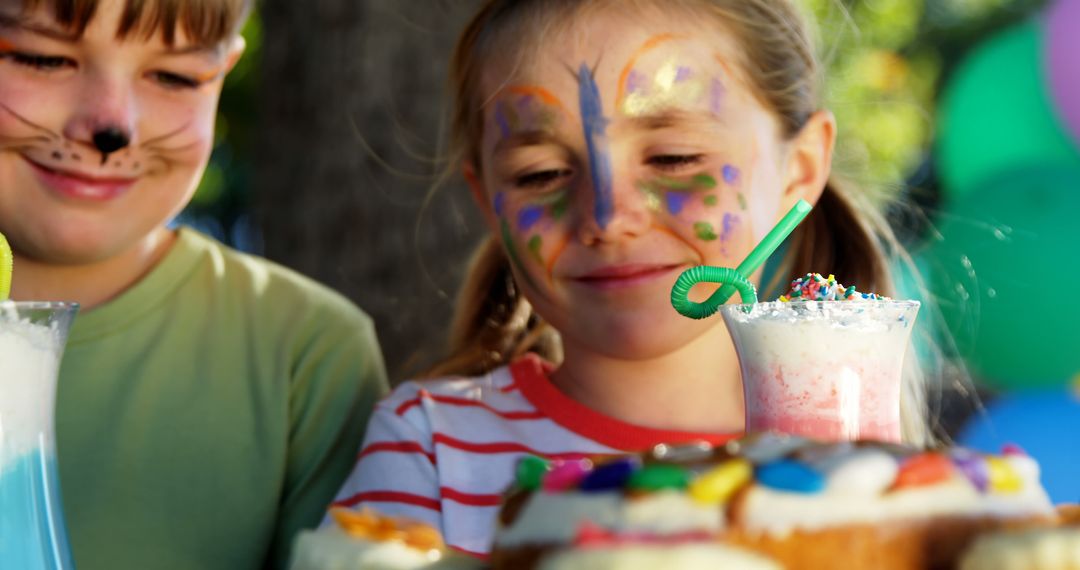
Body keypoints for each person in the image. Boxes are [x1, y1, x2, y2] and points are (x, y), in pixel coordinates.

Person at [329, 0, 930, 558]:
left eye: (673, 158)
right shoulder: (430, 451)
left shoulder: (880, 474)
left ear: (799, 170)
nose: (609, 217)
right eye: (541, 173)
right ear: (487, 199)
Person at [0, 1, 389, 568]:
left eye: (174, 75)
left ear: (224, 72)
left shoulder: (303, 354)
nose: (112, 125)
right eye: (43, 59)